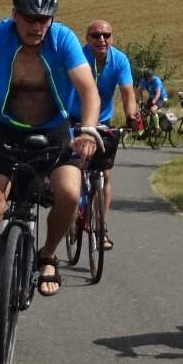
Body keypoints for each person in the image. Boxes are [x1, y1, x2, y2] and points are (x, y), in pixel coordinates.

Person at [0, 0, 101, 323]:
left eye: (44, 18)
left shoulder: (62, 39)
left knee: (68, 192)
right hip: (6, 130)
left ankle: (47, 256)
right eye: (30, 17)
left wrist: (88, 131)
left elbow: (87, 90)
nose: (37, 26)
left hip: (54, 130)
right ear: (14, 14)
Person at [81, 19, 139, 251]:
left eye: (106, 35)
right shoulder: (78, 56)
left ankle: (101, 227)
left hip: (102, 120)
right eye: (95, 35)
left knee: (104, 175)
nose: (101, 39)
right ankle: (73, 211)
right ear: (87, 38)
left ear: (112, 38)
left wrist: (131, 117)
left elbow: (127, 93)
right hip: (74, 117)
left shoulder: (119, 60)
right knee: (71, 170)